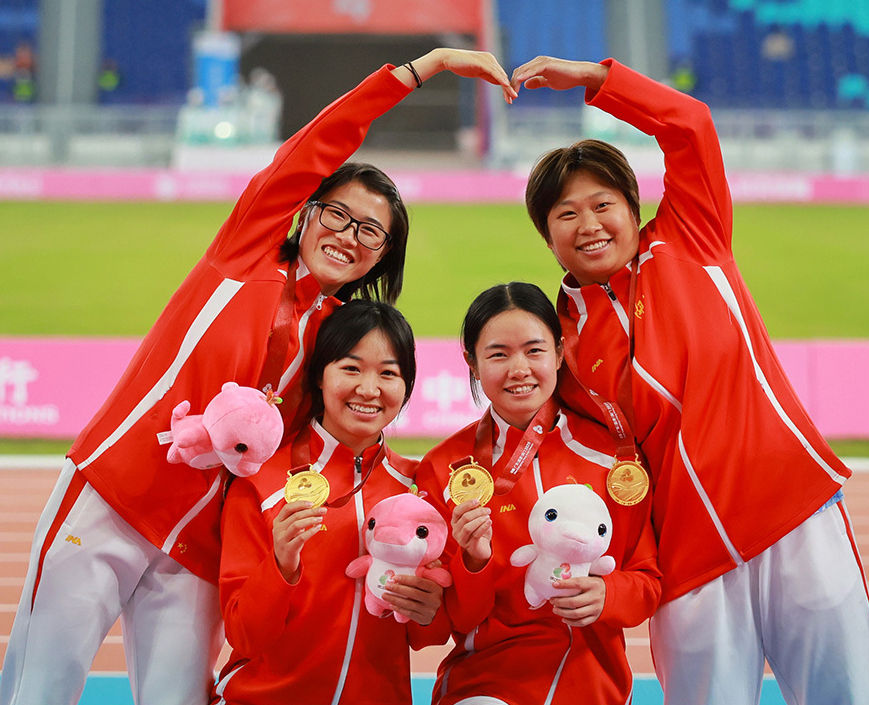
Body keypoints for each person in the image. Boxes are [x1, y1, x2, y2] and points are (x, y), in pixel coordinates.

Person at [0, 48, 513, 705]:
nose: (349, 235)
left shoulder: (341, 342)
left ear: (383, 257)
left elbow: (340, 439)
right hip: (114, 496)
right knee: (40, 688)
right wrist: (424, 67)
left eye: (371, 232)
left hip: (201, 546)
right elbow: (318, 142)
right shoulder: (244, 255)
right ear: (306, 211)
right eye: (337, 214)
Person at [514, 55, 869, 704]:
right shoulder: (557, 342)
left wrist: (596, 81)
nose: (588, 225)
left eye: (602, 204)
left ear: (633, 208)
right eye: (565, 215)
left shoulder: (690, 235)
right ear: (547, 237)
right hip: (688, 560)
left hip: (792, 514)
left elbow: (689, 124)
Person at [414, 282, 660, 705]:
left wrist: (610, 595)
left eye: (534, 351)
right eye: (498, 354)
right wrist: (473, 562)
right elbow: (453, 621)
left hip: (594, 687)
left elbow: (647, 580)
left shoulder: (612, 456)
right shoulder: (445, 469)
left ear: (560, 354)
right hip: (487, 685)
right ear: (472, 363)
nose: (519, 369)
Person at [213, 300, 448, 704]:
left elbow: (429, 636)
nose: (369, 390)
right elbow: (244, 635)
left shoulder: (418, 488)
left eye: (388, 373)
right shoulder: (261, 482)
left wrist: (430, 611)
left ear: (407, 387)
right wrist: (281, 566)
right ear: (320, 376)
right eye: (351, 368)